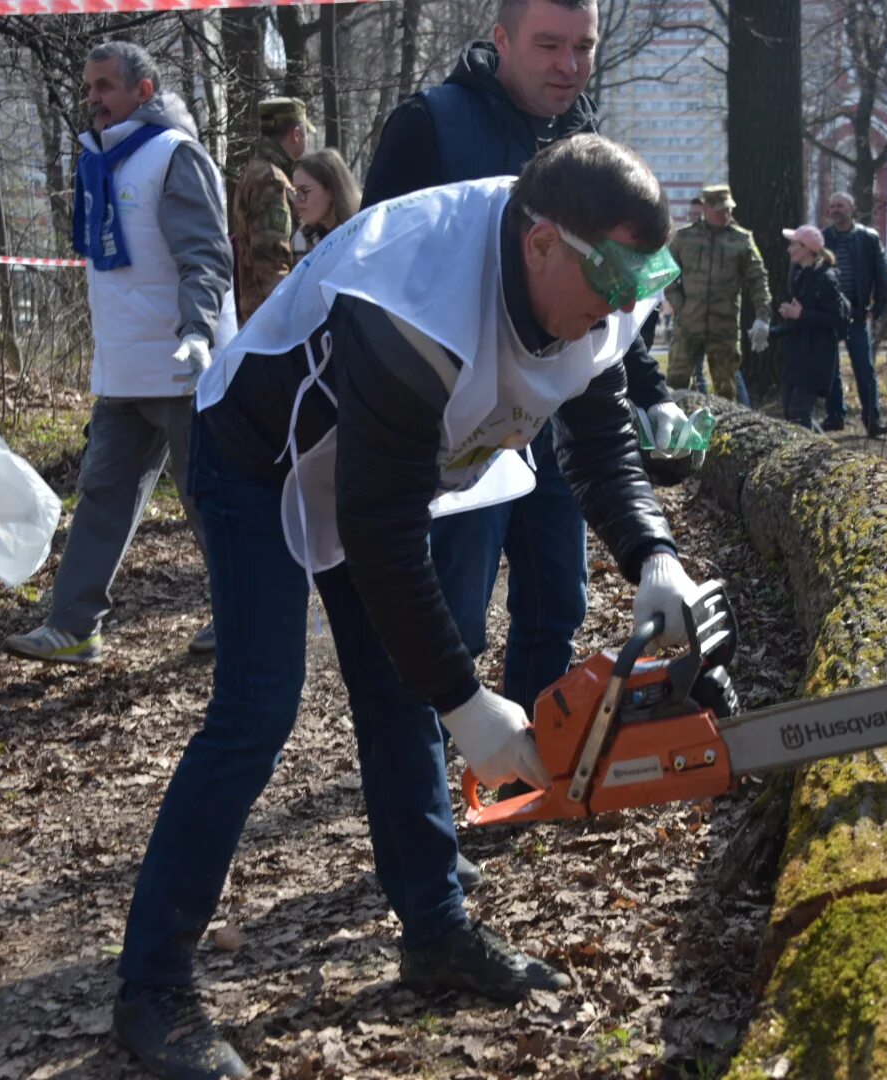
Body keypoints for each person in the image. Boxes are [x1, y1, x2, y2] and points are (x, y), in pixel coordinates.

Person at [111, 135, 708, 1080]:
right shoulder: (413, 293)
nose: (619, 312)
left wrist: (654, 555)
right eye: (609, 285)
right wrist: (467, 703)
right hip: (261, 457)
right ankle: (150, 989)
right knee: (258, 707)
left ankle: (435, 931)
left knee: (397, 690)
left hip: (383, 469)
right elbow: (382, 534)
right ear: (542, 243)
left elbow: (597, 442)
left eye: (639, 286)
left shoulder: (601, 287)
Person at [360, 0, 699, 833]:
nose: (568, 64)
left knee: (557, 597)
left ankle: (542, 770)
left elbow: (614, 295)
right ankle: (434, 803)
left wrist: (649, 390)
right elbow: (380, 271)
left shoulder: (587, 135)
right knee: (455, 607)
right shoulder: (431, 127)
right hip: (455, 417)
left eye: (582, 47)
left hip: (557, 403)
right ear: (502, 39)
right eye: (548, 45)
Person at [5, 41, 234, 665]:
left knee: (209, 503)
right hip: (125, 373)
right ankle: (74, 626)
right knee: (102, 493)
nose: (93, 100)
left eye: (105, 86)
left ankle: (246, 618)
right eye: (88, 88)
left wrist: (197, 330)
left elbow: (205, 257)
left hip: (187, 368)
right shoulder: (99, 162)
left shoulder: (174, 156)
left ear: (144, 89)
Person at [665, 183, 773, 399]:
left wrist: (763, 317)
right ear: (705, 209)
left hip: (724, 327)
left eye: (728, 209)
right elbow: (666, 273)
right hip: (688, 325)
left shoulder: (742, 240)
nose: (725, 214)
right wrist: (680, 304)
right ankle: (675, 429)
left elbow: (758, 279)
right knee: (675, 384)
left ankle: (724, 431)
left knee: (725, 389)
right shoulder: (684, 238)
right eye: (719, 210)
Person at [821, 191, 887, 436]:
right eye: (832, 206)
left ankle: (872, 420)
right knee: (830, 367)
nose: (835, 210)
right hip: (829, 313)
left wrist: (878, 307)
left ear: (852, 208)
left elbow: (881, 275)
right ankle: (835, 415)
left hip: (857, 313)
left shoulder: (868, 238)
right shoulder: (822, 239)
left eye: (840, 205)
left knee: (864, 367)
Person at [232, 97, 310, 324]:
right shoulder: (272, 180)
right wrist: (289, 317)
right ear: (296, 134)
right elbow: (273, 263)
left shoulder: (255, 170)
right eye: (306, 133)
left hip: (257, 315)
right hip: (271, 321)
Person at [773, 225, 849, 430]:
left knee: (799, 413)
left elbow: (837, 319)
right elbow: (799, 320)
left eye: (793, 245)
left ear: (806, 248)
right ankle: (820, 452)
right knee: (791, 412)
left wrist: (801, 314)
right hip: (798, 355)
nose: (789, 249)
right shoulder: (800, 275)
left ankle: (823, 457)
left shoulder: (826, 279)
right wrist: (773, 332)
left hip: (818, 357)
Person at [290, 147, 360, 256]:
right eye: (295, 191)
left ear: (332, 190)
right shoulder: (303, 238)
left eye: (304, 191)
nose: (297, 201)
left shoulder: (362, 231)